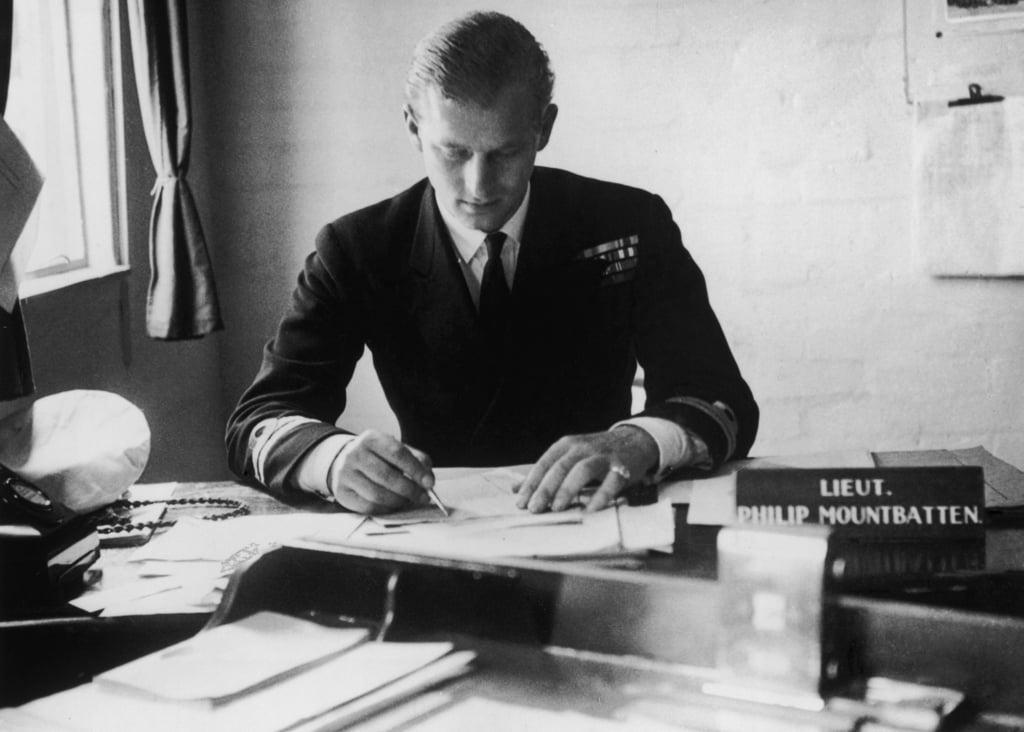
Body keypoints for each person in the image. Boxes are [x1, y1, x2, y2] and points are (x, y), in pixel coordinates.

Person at [225, 11, 758, 515]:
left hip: (602, 522)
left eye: (504, 154)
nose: (478, 187)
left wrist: (640, 440)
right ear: (413, 129)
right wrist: (332, 459)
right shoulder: (357, 248)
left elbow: (722, 399)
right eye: (453, 152)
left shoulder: (629, 221)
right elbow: (256, 421)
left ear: (543, 130)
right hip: (437, 537)